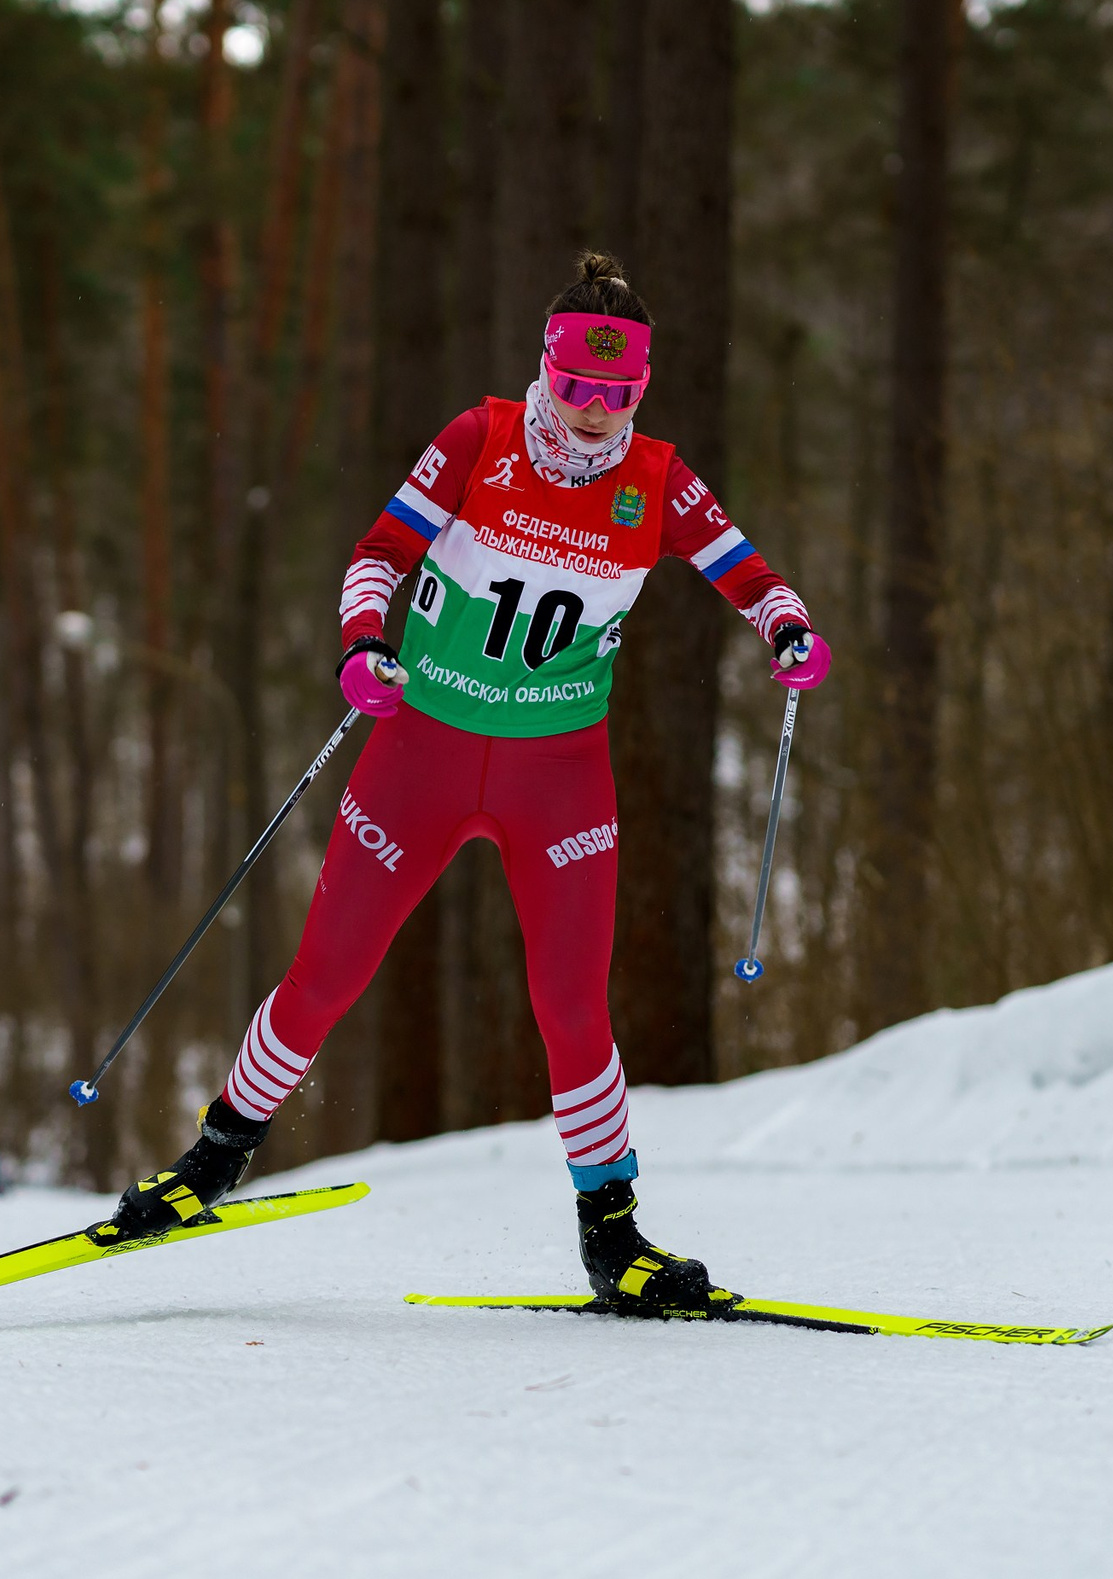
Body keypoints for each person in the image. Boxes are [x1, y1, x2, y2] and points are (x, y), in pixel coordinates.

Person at [89, 252, 830, 1312]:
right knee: (324, 978)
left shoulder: (657, 481)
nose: (590, 412)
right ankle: (207, 1166)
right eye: (575, 385)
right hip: (420, 756)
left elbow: (752, 577)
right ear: (545, 368)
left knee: (573, 1010)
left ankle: (612, 1242)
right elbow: (379, 551)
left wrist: (788, 629)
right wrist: (361, 644)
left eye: (616, 394)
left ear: (640, 392)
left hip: (559, 775)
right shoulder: (478, 438)